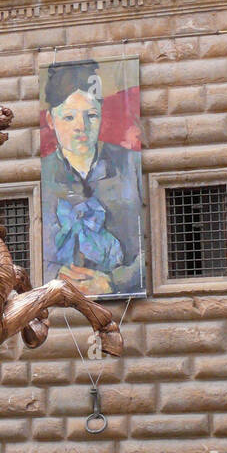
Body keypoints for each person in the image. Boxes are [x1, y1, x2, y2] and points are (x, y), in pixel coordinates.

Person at [41, 60, 145, 297]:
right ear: (50, 120)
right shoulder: (42, 178)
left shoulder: (130, 165)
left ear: (102, 115)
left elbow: (157, 243)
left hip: (126, 299)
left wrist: (116, 281)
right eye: (68, 117)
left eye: (91, 115)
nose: (81, 127)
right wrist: (55, 280)